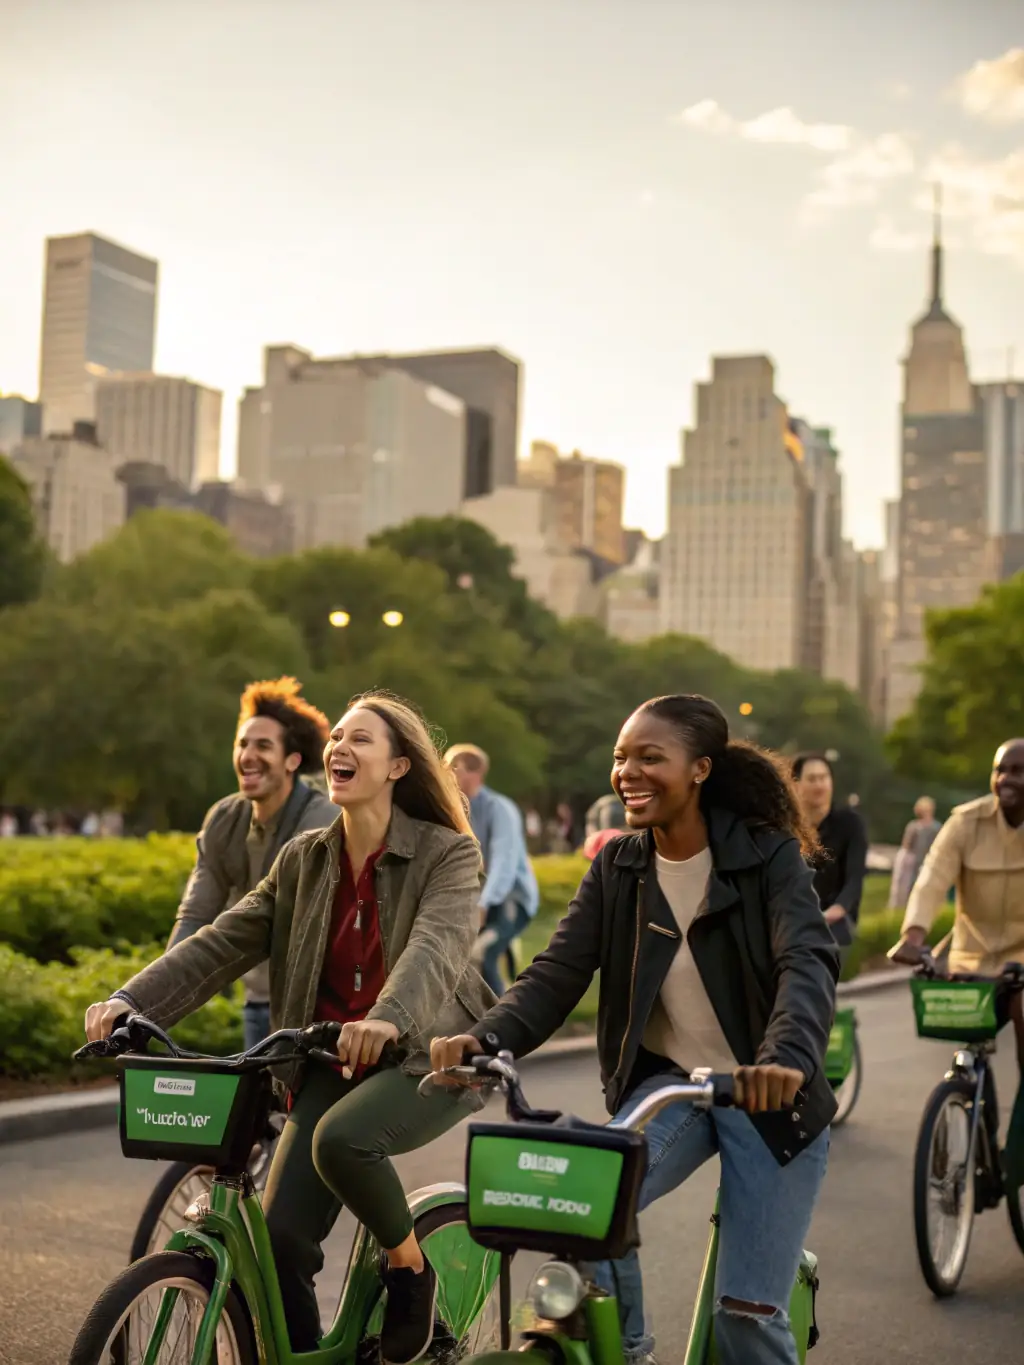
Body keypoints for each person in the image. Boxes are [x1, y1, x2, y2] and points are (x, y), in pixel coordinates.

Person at [83, 690, 493, 1361]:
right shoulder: (304, 857)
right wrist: (131, 1001)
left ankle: (410, 1269)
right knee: (277, 1246)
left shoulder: (446, 854)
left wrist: (387, 1018)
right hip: (328, 1057)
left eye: (362, 738)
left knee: (343, 1140)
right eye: (338, 736)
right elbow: (221, 941)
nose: (341, 747)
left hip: (430, 1055)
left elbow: (436, 949)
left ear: (396, 766)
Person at [433, 694, 839, 1365]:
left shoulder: (766, 858)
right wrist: (486, 1037)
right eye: (622, 757)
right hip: (673, 1089)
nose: (629, 771)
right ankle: (627, 1351)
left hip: (769, 1104)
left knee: (743, 1319)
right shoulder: (618, 865)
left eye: (652, 757)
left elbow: (806, 958)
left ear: (700, 769)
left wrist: (786, 1058)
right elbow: (557, 971)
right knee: (586, 1207)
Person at [168, 677, 335, 1051]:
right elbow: (196, 914)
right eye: (242, 744)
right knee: (255, 1110)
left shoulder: (322, 821)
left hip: (317, 1011)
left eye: (263, 745)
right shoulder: (224, 819)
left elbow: (283, 917)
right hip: (256, 1002)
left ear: (292, 760)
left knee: (296, 1110)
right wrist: (151, 1001)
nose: (248, 755)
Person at [892, 739, 1024, 1068]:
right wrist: (913, 937)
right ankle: (966, 1096)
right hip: (971, 961)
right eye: (1000, 770)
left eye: (1018, 771)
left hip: (1021, 965)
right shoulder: (966, 823)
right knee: (966, 1047)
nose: (1006, 779)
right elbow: (932, 879)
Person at [445, 744, 539, 997]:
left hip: (510, 898)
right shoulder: (455, 810)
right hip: (478, 898)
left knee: (481, 954)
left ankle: (502, 1026)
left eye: (454, 767)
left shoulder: (499, 808)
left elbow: (503, 864)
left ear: (476, 772)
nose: (447, 773)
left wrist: (484, 904)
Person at [791, 753, 868, 945]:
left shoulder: (850, 823)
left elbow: (855, 878)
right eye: (812, 779)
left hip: (836, 920)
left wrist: (836, 911)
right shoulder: (786, 826)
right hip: (794, 919)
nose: (819, 785)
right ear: (796, 785)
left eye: (823, 778)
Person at [888, 796, 942, 909]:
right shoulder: (914, 827)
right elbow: (906, 847)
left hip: (929, 863)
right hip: (913, 864)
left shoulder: (936, 827)